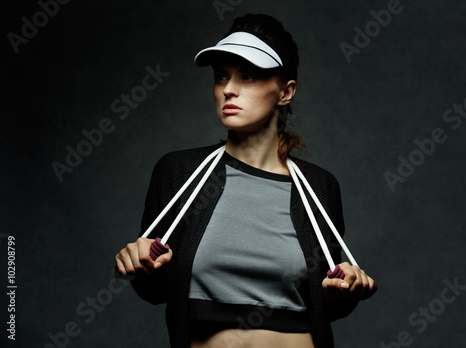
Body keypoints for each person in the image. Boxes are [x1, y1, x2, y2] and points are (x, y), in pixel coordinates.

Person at [115, 13, 377, 348]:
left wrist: (347, 289)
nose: (228, 89)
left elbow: (327, 302)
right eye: (221, 76)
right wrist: (141, 264)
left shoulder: (318, 187)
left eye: (248, 76)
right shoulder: (180, 172)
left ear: (285, 92)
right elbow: (153, 290)